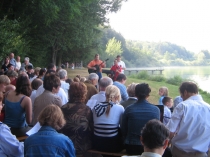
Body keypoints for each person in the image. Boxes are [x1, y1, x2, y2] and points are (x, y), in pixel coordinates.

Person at [167, 82, 210, 157]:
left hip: (180, 152)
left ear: (185, 92)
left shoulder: (183, 106)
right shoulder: (208, 107)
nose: (182, 98)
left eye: (181, 96)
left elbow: (170, 131)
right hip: (201, 154)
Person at [121, 83, 160, 155]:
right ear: (148, 95)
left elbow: (123, 129)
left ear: (135, 94)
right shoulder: (156, 110)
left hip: (131, 145)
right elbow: (156, 130)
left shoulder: (129, 109)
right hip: (149, 146)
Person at [60, 82, 93, 156]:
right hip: (82, 145)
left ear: (69, 93)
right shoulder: (86, 109)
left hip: (65, 144)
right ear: (84, 94)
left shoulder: (62, 108)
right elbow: (92, 127)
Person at [92, 85, 124, 152]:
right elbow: (122, 126)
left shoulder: (96, 107)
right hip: (112, 144)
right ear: (117, 96)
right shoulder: (120, 108)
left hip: (96, 143)